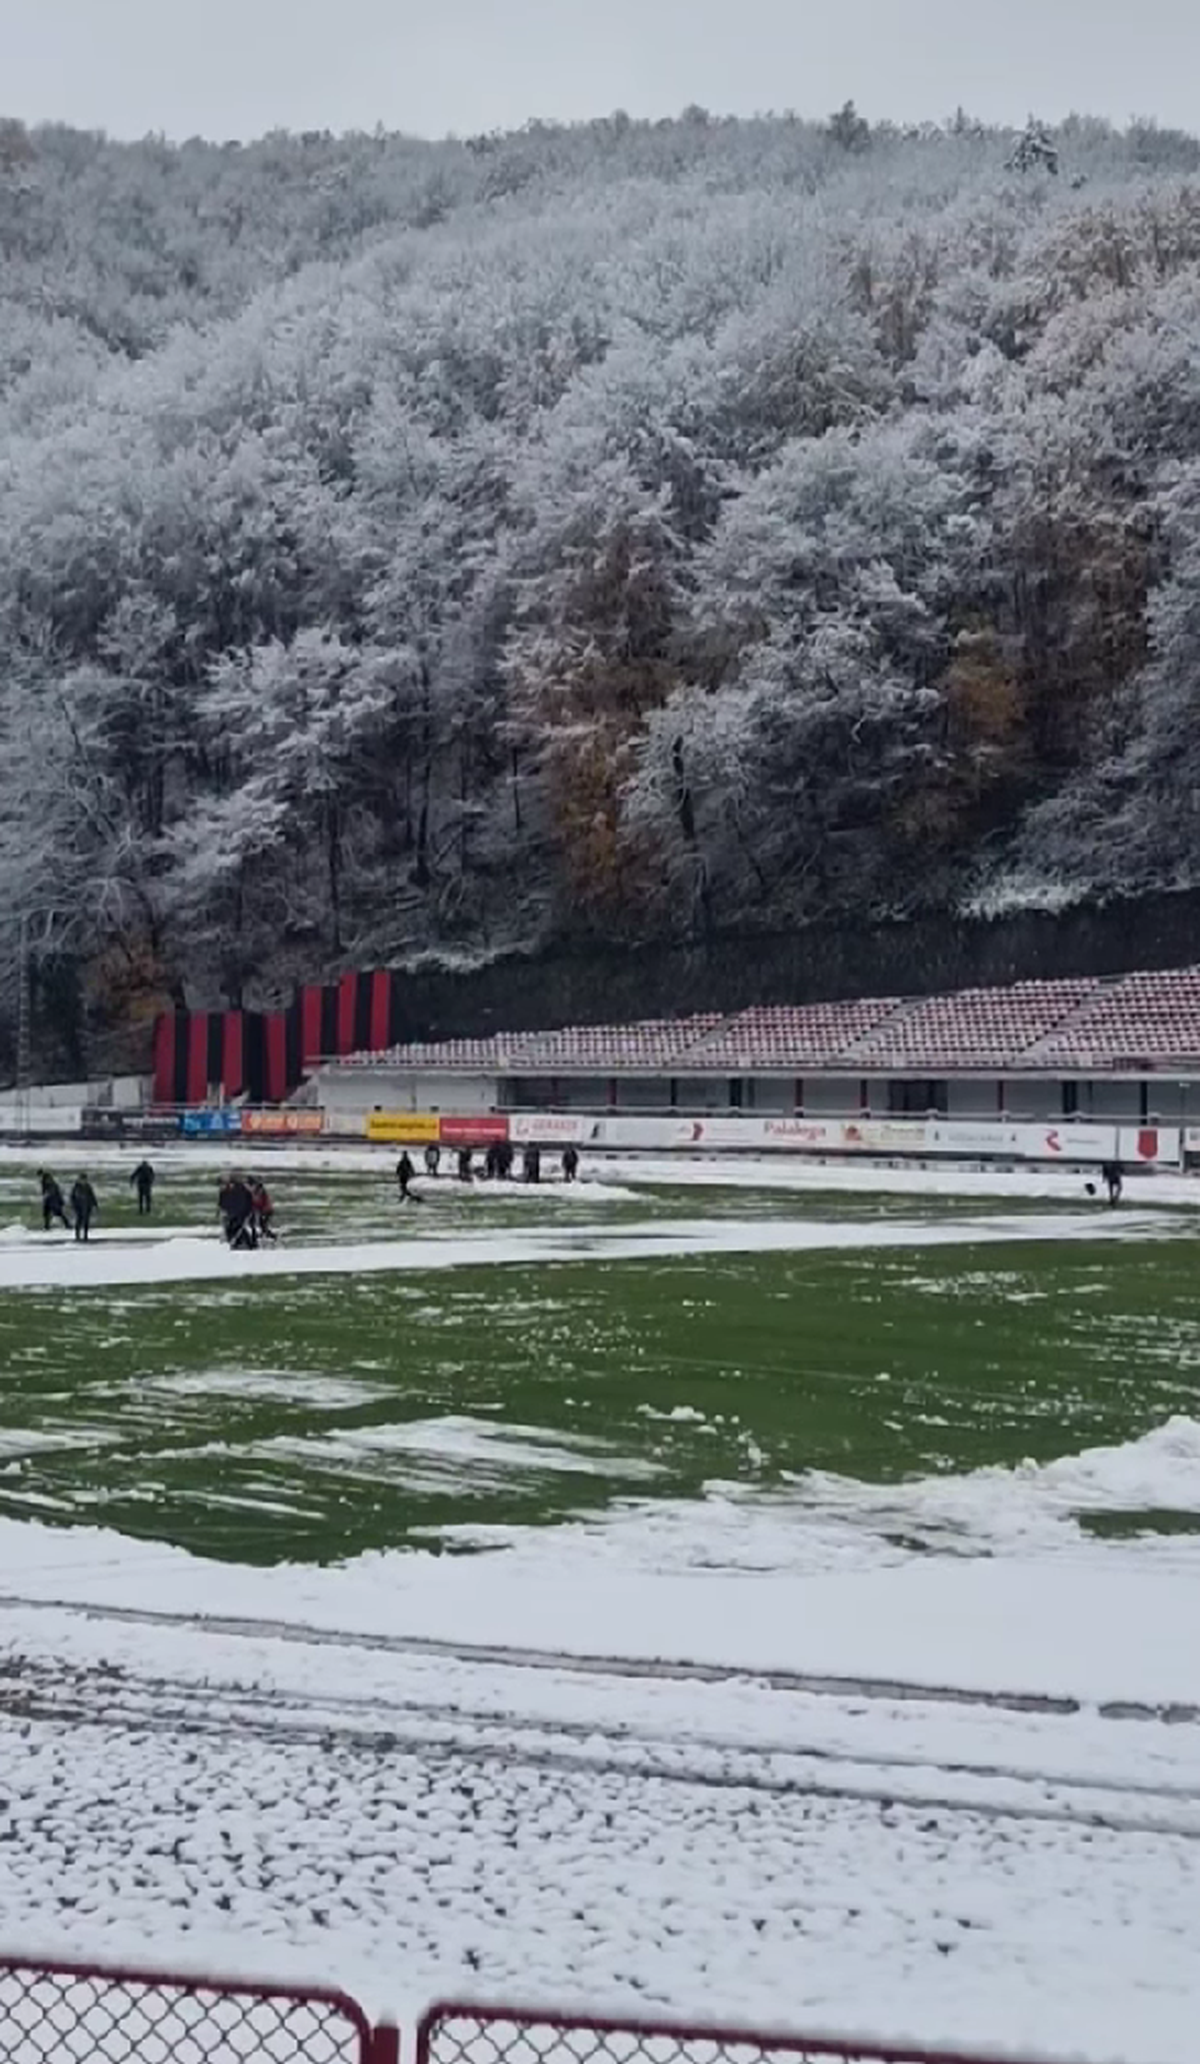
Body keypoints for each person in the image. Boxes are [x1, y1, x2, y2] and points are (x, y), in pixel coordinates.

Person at [218, 1174, 257, 1249]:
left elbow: (244, 1202)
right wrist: (222, 1211)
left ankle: (248, 1244)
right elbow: (222, 1203)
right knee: (230, 1228)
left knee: (238, 1227)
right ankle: (236, 1243)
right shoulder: (224, 1192)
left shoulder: (239, 1189)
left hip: (243, 1213)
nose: (221, 1187)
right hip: (233, 1214)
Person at [70, 1174, 98, 1243]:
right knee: (79, 1221)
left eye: (85, 1180)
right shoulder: (76, 1187)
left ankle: (85, 1235)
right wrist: (74, 1205)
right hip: (79, 1207)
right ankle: (77, 1235)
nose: (84, 1181)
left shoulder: (88, 1187)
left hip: (87, 1206)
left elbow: (92, 1195)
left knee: (86, 1221)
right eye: (82, 1180)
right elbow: (72, 1197)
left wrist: (94, 1205)